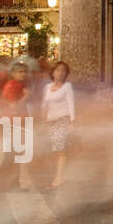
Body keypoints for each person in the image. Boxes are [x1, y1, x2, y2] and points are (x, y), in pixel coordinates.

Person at [0, 61, 30, 192]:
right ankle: (2, 185)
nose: (23, 74)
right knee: (10, 155)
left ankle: (13, 184)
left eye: (24, 72)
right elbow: (13, 106)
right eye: (20, 72)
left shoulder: (19, 85)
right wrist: (25, 97)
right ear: (13, 73)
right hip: (11, 124)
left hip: (18, 123)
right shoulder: (12, 86)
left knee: (15, 154)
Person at [42, 61, 75, 189]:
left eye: (63, 71)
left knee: (61, 149)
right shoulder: (47, 87)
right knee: (56, 150)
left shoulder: (67, 87)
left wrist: (72, 122)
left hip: (63, 120)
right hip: (51, 121)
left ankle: (59, 178)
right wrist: (44, 121)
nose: (60, 73)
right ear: (53, 72)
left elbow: (71, 104)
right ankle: (62, 175)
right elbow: (44, 104)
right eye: (57, 70)